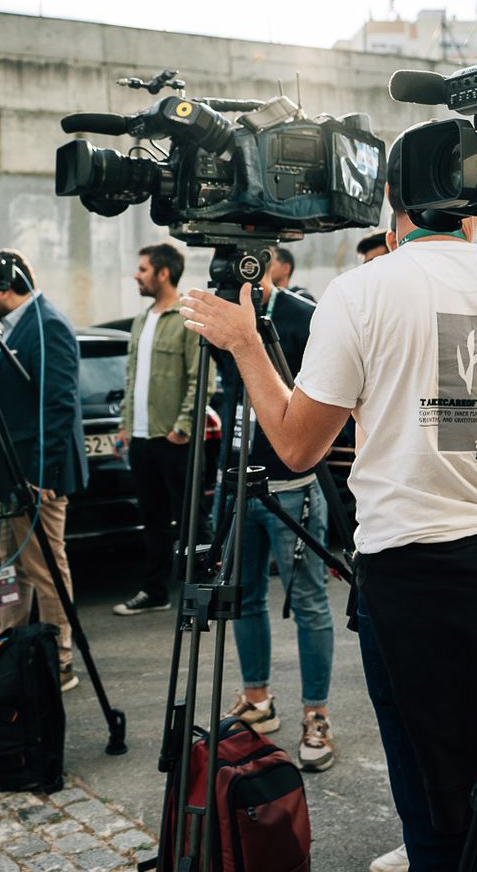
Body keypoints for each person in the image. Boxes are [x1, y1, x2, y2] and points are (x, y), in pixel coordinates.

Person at [180, 182, 477, 872]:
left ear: (393, 203)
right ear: (475, 205)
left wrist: (246, 344)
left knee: (439, 811)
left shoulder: (362, 290)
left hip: (413, 577)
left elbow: (297, 447)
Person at [211, 275, 338, 771]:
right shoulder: (221, 315)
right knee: (242, 599)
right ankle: (258, 701)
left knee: (308, 603)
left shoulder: (302, 317)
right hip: (237, 484)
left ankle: (317, 715)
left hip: (294, 486)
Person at [0, 253, 89, 690]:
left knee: (45, 570)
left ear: (6, 288)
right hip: (8, 477)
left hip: (36, 479)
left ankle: (60, 659)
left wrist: (42, 474)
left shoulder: (48, 325)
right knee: (4, 566)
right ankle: (9, 649)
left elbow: (59, 404)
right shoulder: (12, 325)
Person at [112, 242, 209, 617]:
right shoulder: (141, 319)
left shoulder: (188, 316)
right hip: (140, 438)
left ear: (163, 273)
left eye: (142, 269)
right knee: (152, 519)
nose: (136, 275)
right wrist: (124, 426)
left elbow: (201, 377)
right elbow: (132, 377)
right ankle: (155, 592)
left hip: (174, 438)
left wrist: (183, 426)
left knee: (191, 518)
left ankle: (199, 593)